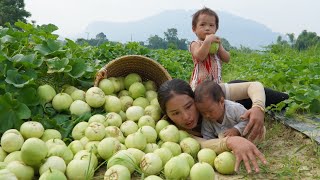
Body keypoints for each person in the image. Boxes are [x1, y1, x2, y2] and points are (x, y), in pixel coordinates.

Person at [158, 78, 267, 173]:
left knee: (273, 97)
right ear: (167, 114)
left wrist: (258, 107)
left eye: (188, 106)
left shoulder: (207, 96)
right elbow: (203, 144)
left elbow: (254, 85)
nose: (186, 117)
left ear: (194, 98)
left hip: (237, 108)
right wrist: (229, 141)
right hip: (229, 124)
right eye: (176, 113)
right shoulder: (174, 132)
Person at [194, 80, 266, 143]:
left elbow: (247, 120)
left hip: (243, 135)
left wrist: (236, 130)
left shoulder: (234, 108)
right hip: (227, 143)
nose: (207, 115)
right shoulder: (207, 121)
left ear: (221, 102)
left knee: (256, 132)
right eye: (203, 113)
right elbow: (207, 136)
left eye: (210, 111)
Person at [189, 7, 230, 90]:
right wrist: (207, 41)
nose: (207, 28)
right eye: (202, 25)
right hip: (200, 85)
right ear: (194, 29)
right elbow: (200, 56)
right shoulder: (195, 44)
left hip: (216, 83)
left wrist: (220, 46)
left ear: (216, 29)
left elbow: (227, 59)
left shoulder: (216, 44)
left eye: (211, 25)